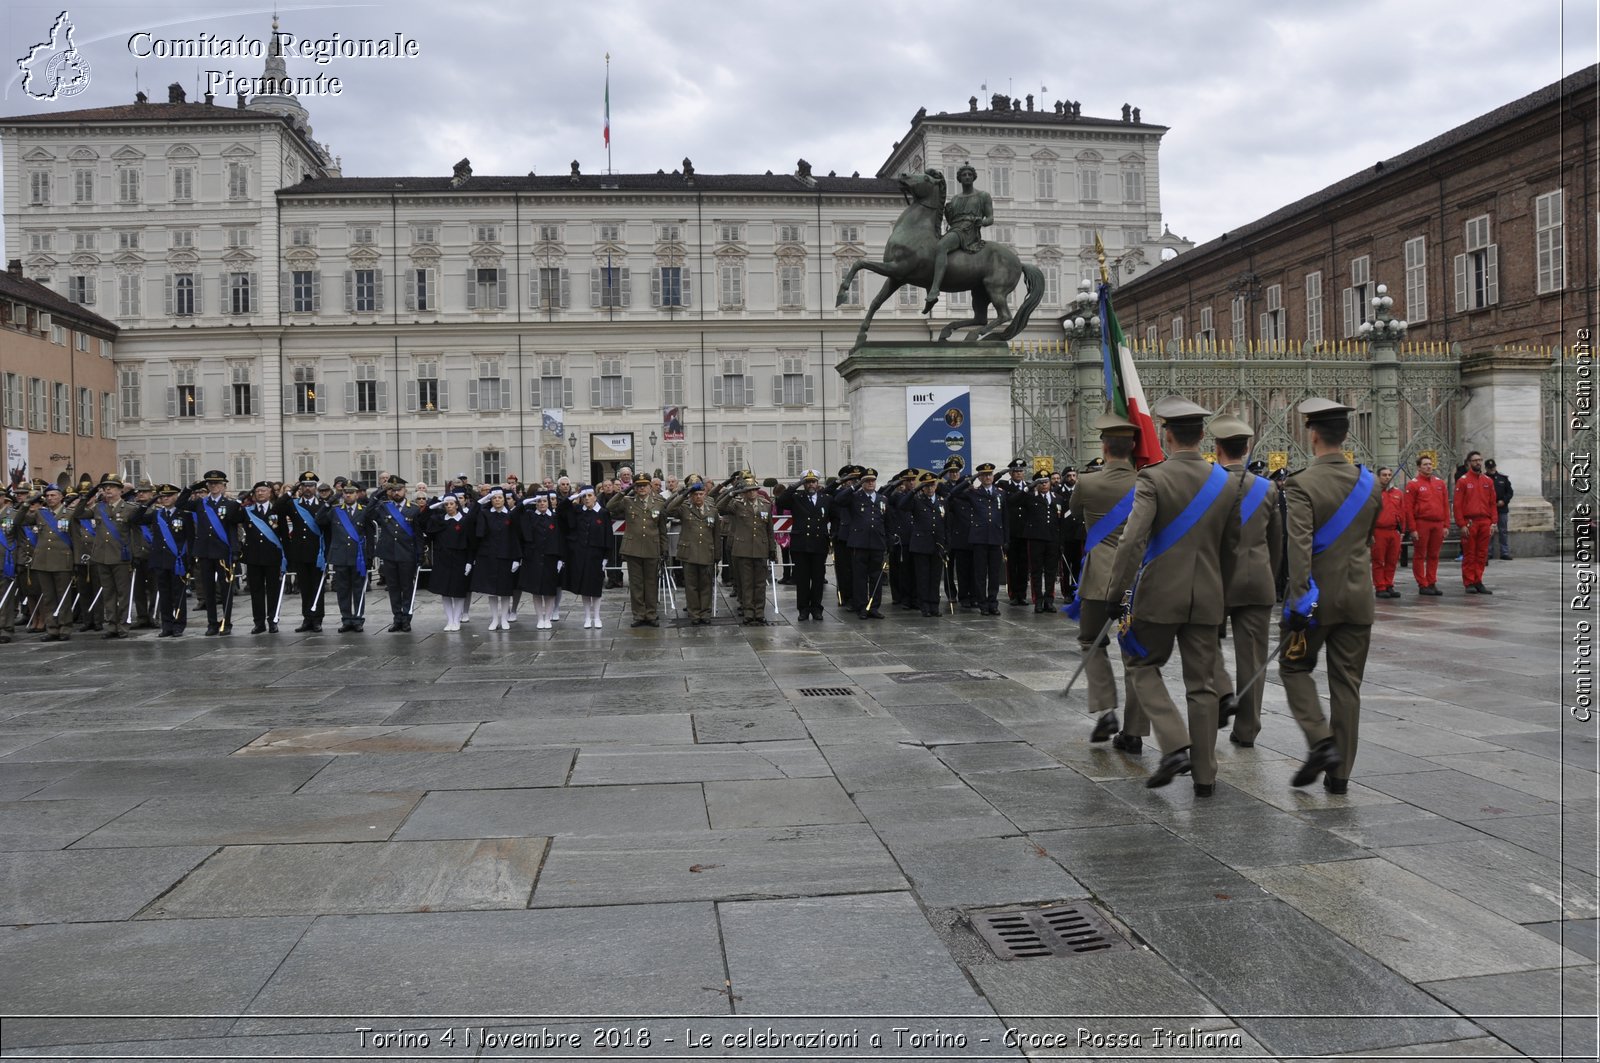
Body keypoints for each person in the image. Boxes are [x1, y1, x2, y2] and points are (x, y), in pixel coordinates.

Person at [1105, 397, 1240, 795]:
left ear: (1166, 434)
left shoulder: (1152, 478)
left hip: (1160, 593)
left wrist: (1117, 591)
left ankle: (1174, 742)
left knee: (1140, 662)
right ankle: (1205, 776)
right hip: (1208, 595)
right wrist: (1224, 598)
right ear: (1202, 436)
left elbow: (1132, 540)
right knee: (1202, 686)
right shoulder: (1227, 483)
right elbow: (1232, 548)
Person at [1279, 397, 1382, 794]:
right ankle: (1339, 777)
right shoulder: (1370, 483)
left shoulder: (1302, 483)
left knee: (1293, 668)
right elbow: (1367, 539)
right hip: (1359, 596)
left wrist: (1300, 598)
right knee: (1347, 685)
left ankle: (1320, 740)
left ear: (1314, 434)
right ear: (1345, 435)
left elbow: (1298, 547)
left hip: (1316, 599)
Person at [1208, 415, 1283, 750]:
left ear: (1216, 448)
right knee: (1252, 659)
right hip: (1257, 580)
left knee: (1206, 654)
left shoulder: (1206, 484)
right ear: (1248, 448)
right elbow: (1277, 541)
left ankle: (1209, 718)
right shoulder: (1267, 488)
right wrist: (1269, 573)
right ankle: (1247, 728)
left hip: (1213, 581)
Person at [1073, 412, 1144, 751]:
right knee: (1136, 655)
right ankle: (1134, 732)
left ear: (1104, 447)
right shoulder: (1148, 482)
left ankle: (1106, 710)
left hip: (1099, 577)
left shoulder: (1087, 483)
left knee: (1091, 641)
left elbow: (1074, 513)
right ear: (1133, 448)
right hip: (1139, 580)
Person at [72, 474, 146, 639]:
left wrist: (137, 554)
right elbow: (78, 514)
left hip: (121, 556)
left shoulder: (130, 508)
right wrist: (87, 497)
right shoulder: (99, 508)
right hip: (101, 556)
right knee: (108, 593)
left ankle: (123, 626)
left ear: (120, 490)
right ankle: (111, 625)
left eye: (112, 487)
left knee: (123, 593)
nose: (108, 490)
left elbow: (136, 532)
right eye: (105, 488)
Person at [182, 470, 246, 636]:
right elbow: (180, 504)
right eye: (210, 483)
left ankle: (226, 621)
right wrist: (191, 488)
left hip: (223, 552)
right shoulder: (200, 503)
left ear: (224, 485)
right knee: (208, 590)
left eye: (217, 483)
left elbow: (234, 528)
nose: (214, 486)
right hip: (205, 552)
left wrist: (235, 550)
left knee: (226, 589)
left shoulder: (231, 504)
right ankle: (212, 623)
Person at [925, 164, 994, 312]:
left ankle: (935, 289)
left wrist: (981, 221)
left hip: (968, 231)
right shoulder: (955, 199)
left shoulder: (983, 196)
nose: (967, 176)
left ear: (974, 177)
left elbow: (990, 218)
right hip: (954, 229)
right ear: (959, 179)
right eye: (964, 175)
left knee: (942, 246)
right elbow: (950, 220)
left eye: (970, 174)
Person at [607, 472, 668, 627]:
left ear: (649, 487)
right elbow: (610, 506)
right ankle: (639, 615)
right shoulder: (628, 501)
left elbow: (662, 528)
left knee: (651, 583)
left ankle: (651, 613)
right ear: (635, 487)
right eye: (638, 486)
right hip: (633, 548)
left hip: (652, 547)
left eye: (644, 485)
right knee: (636, 584)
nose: (642, 488)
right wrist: (624, 491)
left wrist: (664, 548)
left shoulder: (659, 502)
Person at [362, 476, 422, 631]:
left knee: (407, 587)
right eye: (393, 490)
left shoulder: (414, 509)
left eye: (399, 489)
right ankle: (397, 618)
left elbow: (418, 534)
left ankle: (407, 617)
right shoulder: (384, 506)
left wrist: (420, 554)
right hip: (389, 554)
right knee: (394, 588)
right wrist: (379, 493)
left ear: (405, 490)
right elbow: (367, 514)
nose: (396, 493)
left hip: (407, 554)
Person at [718, 475, 779, 624]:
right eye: (749, 490)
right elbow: (719, 507)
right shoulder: (737, 505)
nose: (752, 493)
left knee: (760, 584)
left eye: (754, 490)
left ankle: (759, 612)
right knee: (746, 583)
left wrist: (772, 549)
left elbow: (769, 529)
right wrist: (732, 493)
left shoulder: (765, 504)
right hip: (743, 549)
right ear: (744, 492)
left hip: (760, 548)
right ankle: (748, 612)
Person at [22, 483, 78, 641]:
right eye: (47, 496)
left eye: (53, 495)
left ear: (61, 497)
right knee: (48, 597)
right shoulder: (40, 514)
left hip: (62, 560)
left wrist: (76, 560)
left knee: (63, 596)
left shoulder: (69, 514)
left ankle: (65, 627)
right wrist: (27, 503)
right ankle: (51, 628)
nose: (50, 498)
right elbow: (20, 520)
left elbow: (76, 538)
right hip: (43, 561)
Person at [948, 462, 1006, 615]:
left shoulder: (1000, 493)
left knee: (994, 574)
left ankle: (993, 602)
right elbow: (953, 492)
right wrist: (969, 480)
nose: (988, 477)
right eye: (984, 475)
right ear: (979, 477)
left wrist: (1005, 539)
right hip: (979, 538)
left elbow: (1004, 517)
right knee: (980, 574)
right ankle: (982, 604)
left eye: (990, 474)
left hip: (995, 537)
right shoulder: (973, 492)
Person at [775, 471, 830, 621]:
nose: (811, 484)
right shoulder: (796, 498)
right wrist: (794, 487)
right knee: (803, 579)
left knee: (818, 579)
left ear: (818, 483)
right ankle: (803, 609)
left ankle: (817, 608)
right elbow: (780, 502)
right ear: (803, 484)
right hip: (801, 545)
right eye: (807, 482)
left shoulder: (826, 499)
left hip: (819, 544)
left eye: (813, 481)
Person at [280, 471, 329, 631]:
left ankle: (317, 619)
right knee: (305, 587)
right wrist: (290, 492)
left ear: (315, 487)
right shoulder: (292, 504)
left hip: (317, 553)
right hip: (300, 552)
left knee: (317, 587)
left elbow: (328, 529)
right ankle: (307, 618)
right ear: (300, 487)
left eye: (311, 486)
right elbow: (277, 508)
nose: (308, 489)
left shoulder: (323, 505)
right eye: (304, 486)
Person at [140, 484, 192, 636]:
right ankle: (166, 625)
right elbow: (136, 518)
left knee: (178, 595)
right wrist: (150, 502)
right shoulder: (156, 514)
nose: (165, 498)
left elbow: (190, 538)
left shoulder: (184, 515)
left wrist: (190, 560)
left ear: (176, 496)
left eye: (169, 495)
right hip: (160, 560)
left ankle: (179, 624)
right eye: (162, 496)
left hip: (178, 561)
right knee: (164, 595)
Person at [319, 484, 371, 632]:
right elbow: (320, 519)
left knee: (358, 589)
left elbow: (369, 533)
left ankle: (358, 619)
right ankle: (346, 619)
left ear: (357, 494)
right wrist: (329, 502)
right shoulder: (335, 511)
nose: (348, 495)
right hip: (340, 555)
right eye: (345, 493)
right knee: (343, 590)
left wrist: (369, 555)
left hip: (358, 556)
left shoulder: (364, 511)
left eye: (351, 493)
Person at [665, 478, 718, 624]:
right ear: (691, 496)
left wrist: (717, 555)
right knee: (691, 586)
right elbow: (669, 509)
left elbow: (716, 534)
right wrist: (682, 494)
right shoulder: (684, 509)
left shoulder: (712, 510)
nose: (698, 497)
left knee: (706, 586)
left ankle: (705, 613)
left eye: (701, 494)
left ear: (705, 495)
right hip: (689, 553)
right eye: (695, 495)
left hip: (706, 552)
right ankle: (694, 614)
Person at [895, 471, 948, 616]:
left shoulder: (942, 501)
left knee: (935, 577)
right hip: (921, 544)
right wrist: (914, 491)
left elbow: (946, 524)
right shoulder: (917, 500)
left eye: (932, 485)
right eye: (926, 486)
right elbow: (902, 505)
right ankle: (924, 606)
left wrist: (945, 544)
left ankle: (934, 605)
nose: (930, 489)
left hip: (937, 545)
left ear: (936, 486)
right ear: (922, 488)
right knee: (923, 577)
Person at [239, 480, 288, 634]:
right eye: (257, 491)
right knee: (256, 592)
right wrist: (241, 499)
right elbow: (231, 515)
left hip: (272, 557)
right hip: (253, 557)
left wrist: (286, 556)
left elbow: (285, 535)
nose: (260, 493)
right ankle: (259, 622)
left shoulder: (277, 511)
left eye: (263, 490)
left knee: (273, 591)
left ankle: (273, 620)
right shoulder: (247, 511)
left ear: (270, 493)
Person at [473, 488, 522, 629]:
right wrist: (479, 503)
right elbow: (477, 530)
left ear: (504, 499)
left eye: (500, 498)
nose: (497, 500)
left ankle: (505, 619)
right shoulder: (485, 514)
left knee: (505, 590)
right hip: (489, 556)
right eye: (494, 498)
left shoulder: (511, 515)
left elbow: (515, 538)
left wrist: (516, 559)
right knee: (492, 592)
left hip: (506, 557)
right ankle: (495, 619)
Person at [564, 486, 610, 629]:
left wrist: (606, 557)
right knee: (584, 588)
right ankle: (587, 617)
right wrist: (573, 497)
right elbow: (562, 510)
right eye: (584, 496)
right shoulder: (578, 511)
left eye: (590, 495)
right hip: (581, 555)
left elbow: (608, 535)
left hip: (596, 556)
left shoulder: (603, 513)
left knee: (595, 588)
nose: (587, 499)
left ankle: (597, 616)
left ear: (595, 497)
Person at [517, 492, 565, 630]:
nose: (542, 504)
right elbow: (516, 514)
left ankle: (548, 617)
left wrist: (561, 558)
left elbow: (561, 538)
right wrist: (526, 502)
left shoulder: (555, 517)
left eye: (544, 501)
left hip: (551, 558)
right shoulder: (530, 516)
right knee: (536, 590)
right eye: (538, 502)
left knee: (549, 590)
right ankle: (539, 618)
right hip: (533, 557)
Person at [1454, 451, 1496, 594]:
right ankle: (1469, 581)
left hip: (1484, 521)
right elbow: (1457, 505)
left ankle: (1478, 580)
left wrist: (1493, 522)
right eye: (1475, 460)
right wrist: (1461, 524)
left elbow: (1492, 503)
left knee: (1482, 553)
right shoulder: (1463, 481)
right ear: (1469, 463)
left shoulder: (1488, 481)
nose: (1478, 462)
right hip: (1470, 522)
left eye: (1480, 460)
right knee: (1470, 553)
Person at [1404, 455, 1447, 595]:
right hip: (1422, 522)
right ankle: (1422, 584)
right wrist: (1412, 528)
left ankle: (1432, 582)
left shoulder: (1440, 483)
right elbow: (1408, 508)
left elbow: (1445, 505)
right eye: (1425, 464)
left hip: (1438, 523)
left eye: (1430, 464)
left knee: (1434, 555)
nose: (1429, 466)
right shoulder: (1413, 484)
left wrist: (1446, 525)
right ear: (1418, 467)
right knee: (1420, 555)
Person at [1370, 467, 1404, 598]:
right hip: (1379, 531)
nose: (1387, 477)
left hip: (1394, 531)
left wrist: (1402, 530)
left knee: (1392, 560)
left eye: (1389, 475)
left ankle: (1389, 584)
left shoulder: (1397, 493)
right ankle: (1380, 586)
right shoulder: (1373, 493)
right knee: (1379, 560)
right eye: (1384, 475)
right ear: (1378, 477)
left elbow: (1402, 511)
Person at [1486, 459, 1514, 560]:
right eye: (1490, 468)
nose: (1492, 469)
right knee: (1489, 531)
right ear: (1486, 469)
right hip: (1489, 509)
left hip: (1502, 508)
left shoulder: (1503, 478)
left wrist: (1504, 501)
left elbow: (1510, 492)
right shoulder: (1484, 478)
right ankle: (1488, 552)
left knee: (1503, 531)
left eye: (1493, 467)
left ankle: (1504, 552)